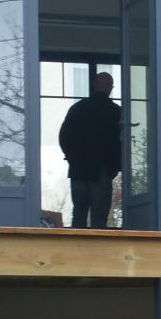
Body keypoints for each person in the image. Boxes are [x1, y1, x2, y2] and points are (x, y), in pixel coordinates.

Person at [58, 71, 122, 228]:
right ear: (110, 88)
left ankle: (75, 248)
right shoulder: (116, 112)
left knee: (78, 214)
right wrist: (115, 167)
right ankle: (97, 251)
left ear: (94, 85)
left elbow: (64, 136)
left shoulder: (78, 109)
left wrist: (72, 158)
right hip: (102, 171)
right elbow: (121, 143)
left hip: (79, 170)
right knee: (99, 218)